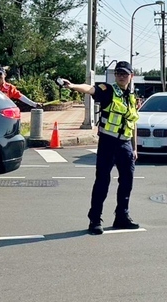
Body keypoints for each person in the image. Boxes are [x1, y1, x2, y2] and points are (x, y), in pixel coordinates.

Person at [61, 61, 140, 235]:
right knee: (102, 182)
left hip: (125, 144)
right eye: (118, 73)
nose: (121, 76)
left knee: (127, 182)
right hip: (108, 143)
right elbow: (89, 89)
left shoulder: (131, 96)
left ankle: (122, 216)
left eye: (124, 74)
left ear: (131, 76)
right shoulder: (108, 90)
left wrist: (134, 148)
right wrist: (72, 86)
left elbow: (133, 123)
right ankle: (95, 219)